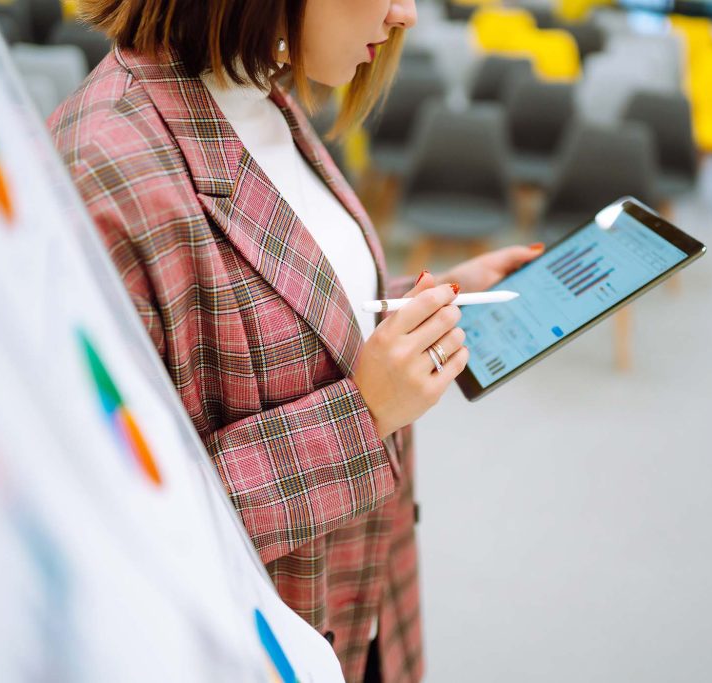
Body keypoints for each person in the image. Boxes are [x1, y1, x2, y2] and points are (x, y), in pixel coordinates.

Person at [50, 1, 543, 680]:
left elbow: (279, 301)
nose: (407, 14)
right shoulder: (104, 171)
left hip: (359, 608)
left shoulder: (258, 93)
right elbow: (112, 529)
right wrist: (362, 415)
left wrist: (415, 302)